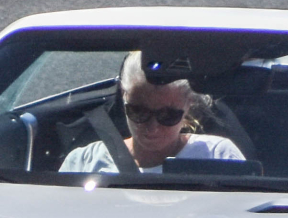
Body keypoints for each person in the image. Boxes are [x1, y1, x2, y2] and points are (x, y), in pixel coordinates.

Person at [61, 52, 245, 175]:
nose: (152, 127)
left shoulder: (218, 156)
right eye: (138, 112)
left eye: (167, 116)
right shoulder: (84, 162)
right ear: (124, 96)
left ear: (188, 105)